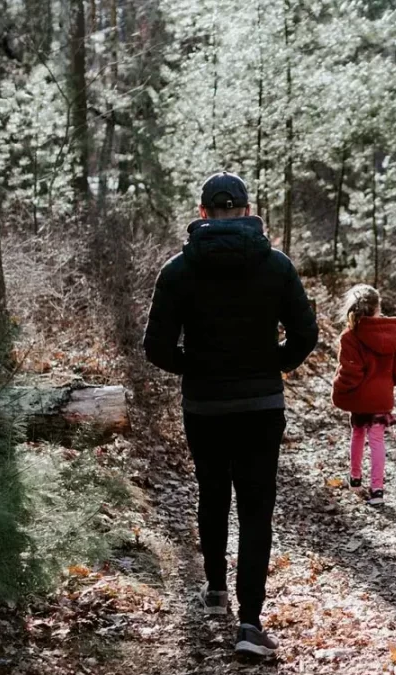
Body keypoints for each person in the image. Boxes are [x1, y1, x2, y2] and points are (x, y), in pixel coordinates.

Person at [143, 172, 318, 658]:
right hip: (261, 405)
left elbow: (155, 346)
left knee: (213, 492)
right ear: (245, 211)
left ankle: (216, 591)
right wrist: (272, 366)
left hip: (205, 405)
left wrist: (194, 369)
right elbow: (306, 335)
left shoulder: (178, 269)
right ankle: (250, 622)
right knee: (256, 508)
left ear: (203, 213)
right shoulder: (275, 266)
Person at [331, 285, 396, 506]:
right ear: (378, 306)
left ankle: (355, 479)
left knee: (357, 434)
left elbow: (350, 373)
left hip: (360, 398)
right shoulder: (392, 333)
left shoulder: (350, 336)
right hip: (381, 397)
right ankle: (377, 491)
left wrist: (339, 387)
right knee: (377, 441)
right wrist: (388, 383)